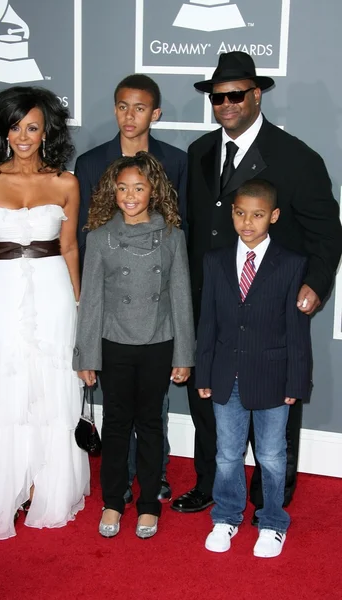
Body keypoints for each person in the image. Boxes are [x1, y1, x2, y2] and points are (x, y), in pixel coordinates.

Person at [172, 51, 342, 516]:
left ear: (256, 94)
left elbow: (327, 231)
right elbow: (195, 229)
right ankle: (209, 483)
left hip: (273, 303)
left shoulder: (296, 157)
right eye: (217, 96)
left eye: (235, 95)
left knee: (277, 399)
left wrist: (316, 283)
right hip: (213, 302)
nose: (225, 103)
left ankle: (272, 496)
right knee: (208, 393)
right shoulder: (200, 151)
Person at [0, 86, 90, 540]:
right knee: (9, 379)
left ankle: (44, 483)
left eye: (32, 126)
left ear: (46, 131)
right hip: (4, 290)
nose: (23, 136)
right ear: (2, 129)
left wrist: (82, 308)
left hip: (53, 291)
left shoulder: (65, 182)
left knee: (51, 379)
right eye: (15, 126)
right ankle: (7, 483)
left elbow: (68, 248)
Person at [75, 74, 188, 504]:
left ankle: (153, 477)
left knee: (152, 409)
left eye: (139, 108)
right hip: (112, 308)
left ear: (154, 113)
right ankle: (116, 486)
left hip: (155, 310)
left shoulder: (175, 161)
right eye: (123, 106)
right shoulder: (89, 163)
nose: (130, 115)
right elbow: (88, 238)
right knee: (118, 408)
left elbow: (180, 231)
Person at [196, 179, 311, 558]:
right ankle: (227, 515)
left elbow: (297, 330)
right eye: (240, 213)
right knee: (227, 454)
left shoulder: (292, 264)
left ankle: (273, 521)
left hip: (273, 378)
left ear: (273, 216)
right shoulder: (214, 261)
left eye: (258, 215)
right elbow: (208, 323)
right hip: (225, 376)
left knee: (272, 456)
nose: (248, 222)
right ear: (232, 213)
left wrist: (296, 379)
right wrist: (204, 372)